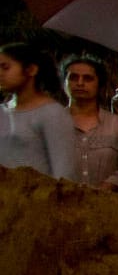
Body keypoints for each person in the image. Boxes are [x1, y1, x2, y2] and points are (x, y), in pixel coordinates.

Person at [0, 44, 77, 181]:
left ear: (31, 70)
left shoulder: (53, 114)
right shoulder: (2, 111)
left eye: (6, 67)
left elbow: (64, 173)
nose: (0, 73)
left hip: (37, 198)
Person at [61, 55, 118, 191]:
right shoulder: (51, 124)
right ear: (64, 83)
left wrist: (98, 192)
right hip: (57, 203)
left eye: (88, 78)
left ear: (99, 84)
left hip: (105, 205)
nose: (80, 83)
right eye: (73, 77)